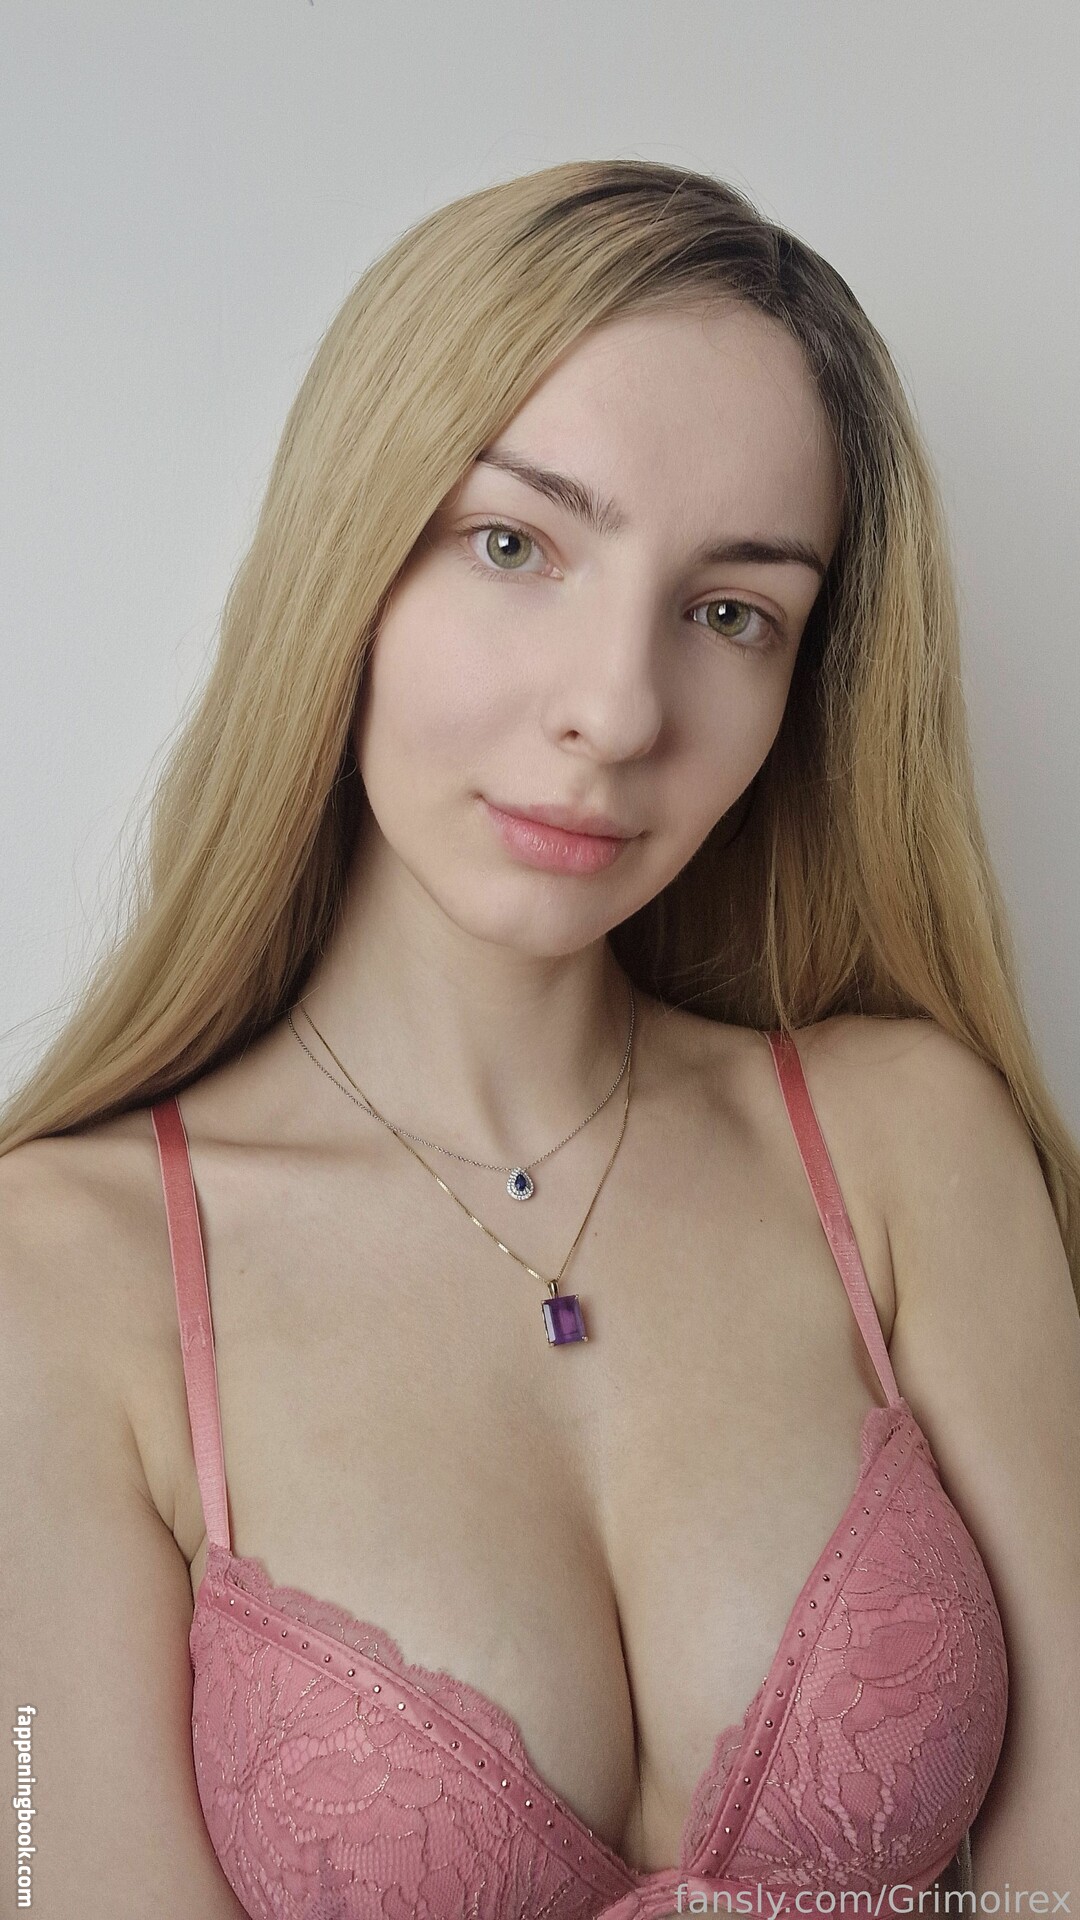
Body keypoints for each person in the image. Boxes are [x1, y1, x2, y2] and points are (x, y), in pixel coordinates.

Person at [2, 158, 1078, 1920]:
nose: (618, 709)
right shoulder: (60, 1277)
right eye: (516, 545)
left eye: (731, 612)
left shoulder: (910, 1152)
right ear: (351, 558)